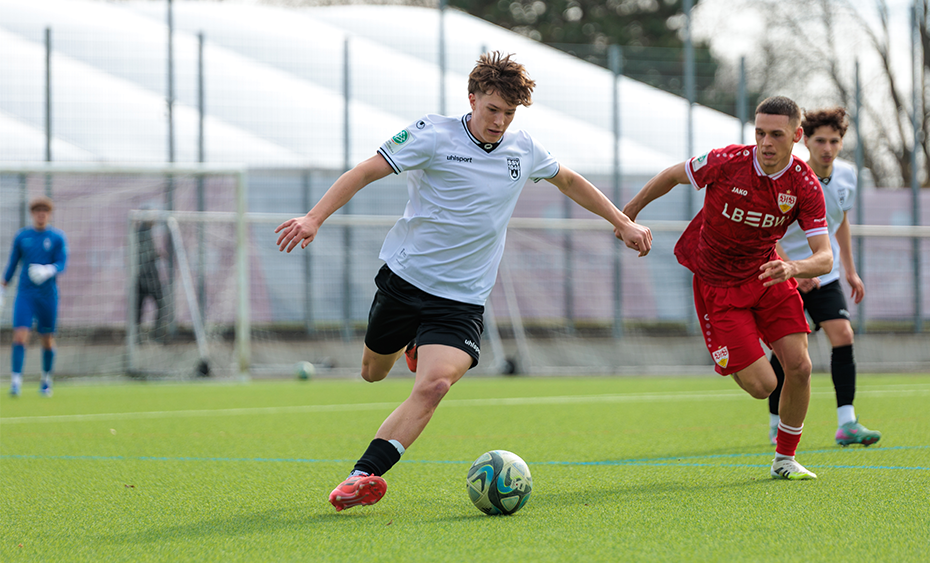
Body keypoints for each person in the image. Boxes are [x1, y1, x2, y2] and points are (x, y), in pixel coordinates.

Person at [275, 52, 653, 510]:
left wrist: (621, 221)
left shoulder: (524, 149)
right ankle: (413, 345)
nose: (499, 121)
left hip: (462, 299)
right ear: (471, 98)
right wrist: (314, 218)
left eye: (509, 114)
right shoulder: (432, 134)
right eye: (492, 109)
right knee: (372, 373)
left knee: (434, 386)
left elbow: (569, 181)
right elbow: (366, 171)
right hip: (406, 281)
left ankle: (362, 476)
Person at [621, 96, 832, 480]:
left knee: (800, 367)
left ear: (797, 136)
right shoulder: (727, 161)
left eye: (776, 135)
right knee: (763, 385)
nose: (766, 143)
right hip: (717, 285)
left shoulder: (803, 184)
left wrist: (793, 267)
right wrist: (628, 213)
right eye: (760, 133)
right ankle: (728, 354)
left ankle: (785, 460)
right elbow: (671, 175)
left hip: (768, 277)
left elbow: (825, 257)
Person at [766, 107, 881, 447]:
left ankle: (847, 423)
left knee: (843, 335)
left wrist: (849, 269)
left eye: (834, 140)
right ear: (806, 141)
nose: (827, 148)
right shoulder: (788, 177)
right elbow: (769, 232)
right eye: (820, 140)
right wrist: (791, 270)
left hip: (824, 274)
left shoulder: (847, 175)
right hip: (784, 273)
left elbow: (840, 222)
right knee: (787, 352)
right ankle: (776, 423)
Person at [2, 196, 68, 397]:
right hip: (26, 294)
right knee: (20, 335)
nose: (41, 214)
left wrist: (49, 269)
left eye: (45, 211)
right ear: (32, 214)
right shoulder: (22, 236)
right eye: (38, 211)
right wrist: (3, 288)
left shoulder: (57, 237)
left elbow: (62, 262)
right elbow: (13, 264)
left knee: (47, 339)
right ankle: (15, 382)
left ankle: (46, 380)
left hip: (47, 296)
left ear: (48, 214)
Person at [134, 214, 167, 342]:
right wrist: (156, 254)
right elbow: (145, 254)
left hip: (142, 277)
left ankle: (141, 335)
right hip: (147, 278)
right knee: (161, 304)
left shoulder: (142, 232)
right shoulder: (142, 233)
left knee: (139, 309)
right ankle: (155, 334)